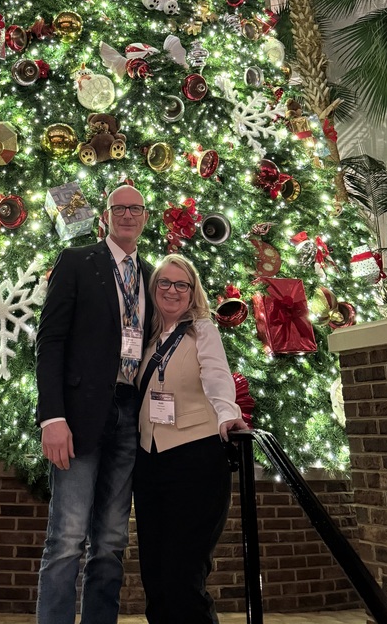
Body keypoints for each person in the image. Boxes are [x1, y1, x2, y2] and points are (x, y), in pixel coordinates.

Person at [35, 183, 153, 624]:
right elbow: (50, 342)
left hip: (130, 414)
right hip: (79, 416)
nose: (127, 215)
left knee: (112, 539)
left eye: (135, 209)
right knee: (67, 537)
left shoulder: (151, 274)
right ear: (106, 216)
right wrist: (52, 417)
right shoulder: (76, 261)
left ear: (144, 217)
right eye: (119, 208)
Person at [133, 253, 249, 624]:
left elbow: (217, 376)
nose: (172, 290)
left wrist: (228, 416)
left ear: (192, 291)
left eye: (181, 284)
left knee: (185, 575)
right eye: (164, 283)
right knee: (155, 576)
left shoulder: (203, 329)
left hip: (196, 459)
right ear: (154, 290)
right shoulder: (147, 338)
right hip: (149, 462)